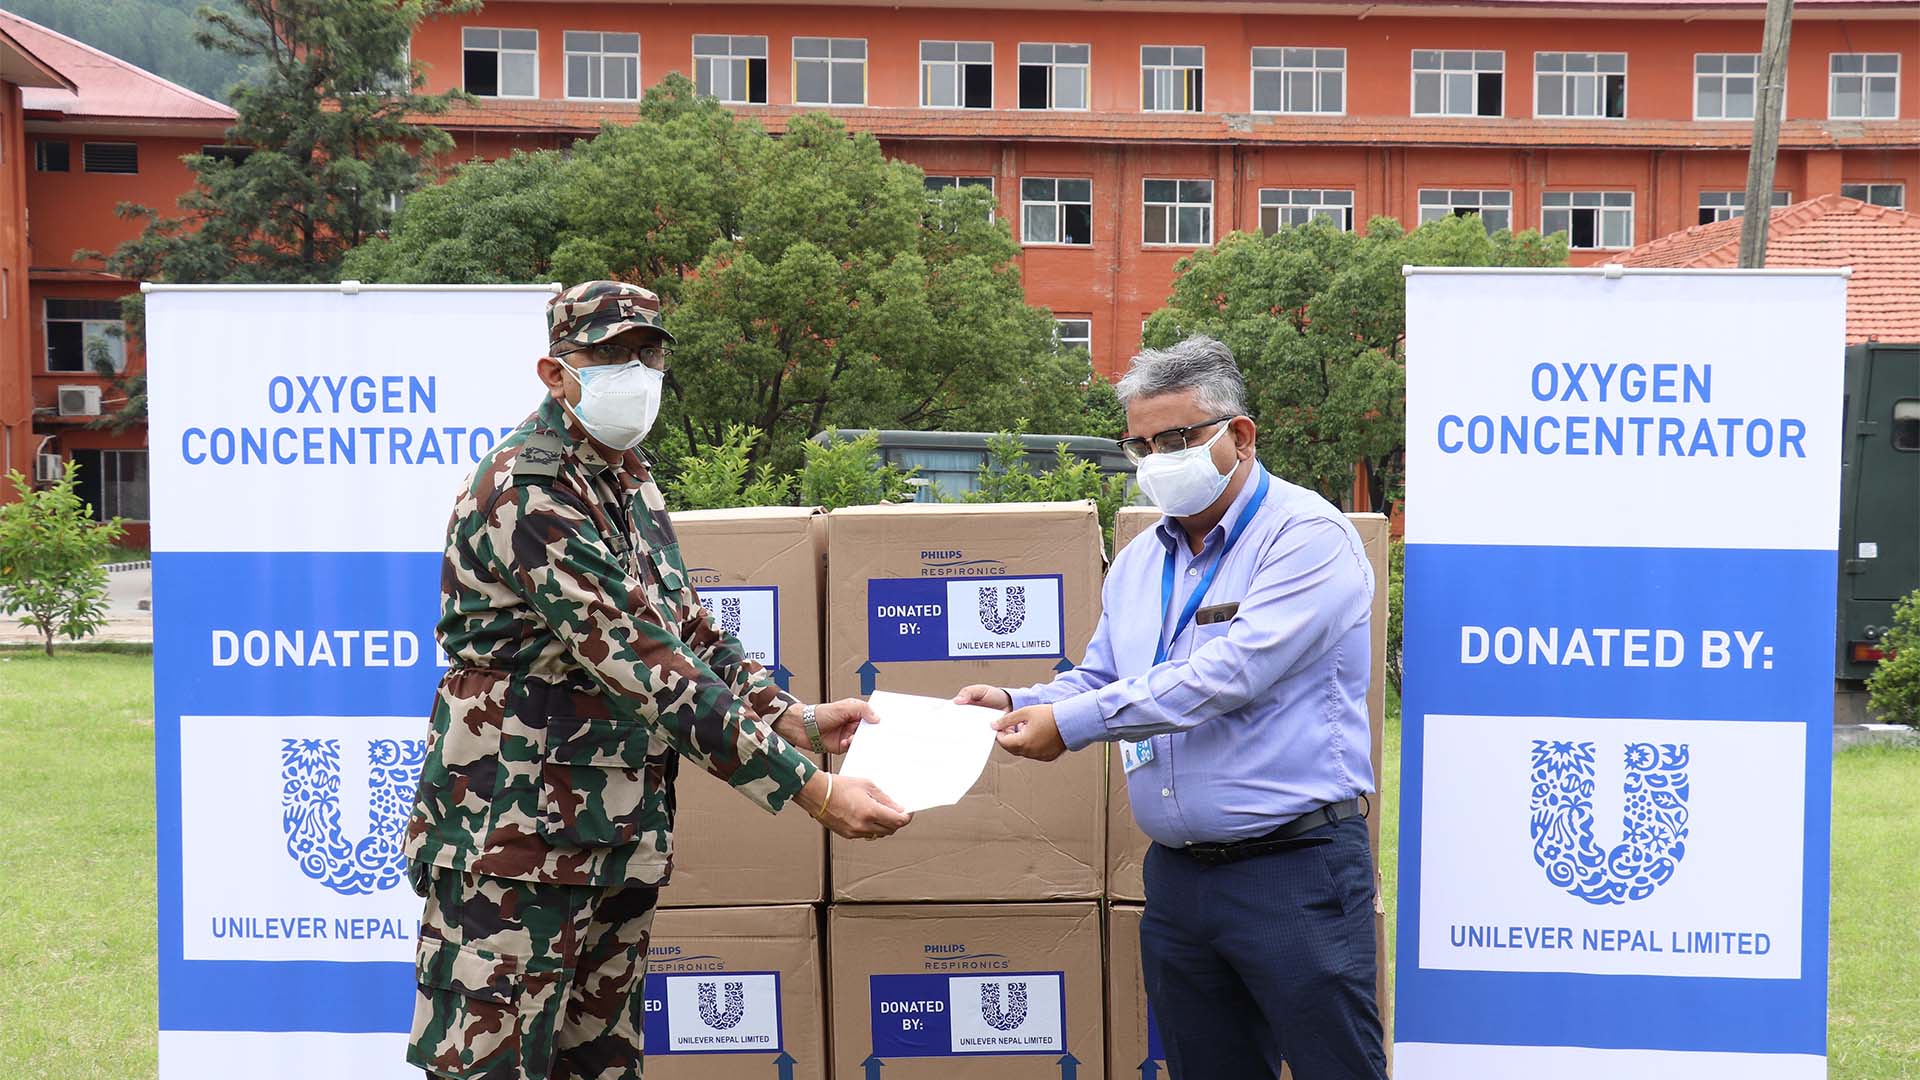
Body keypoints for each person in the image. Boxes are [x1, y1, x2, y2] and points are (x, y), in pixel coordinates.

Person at [403, 280, 910, 1080]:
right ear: (555, 372)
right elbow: (638, 659)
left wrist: (789, 718)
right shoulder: (530, 487)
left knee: (600, 1066)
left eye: (648, 352)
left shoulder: (626, 476)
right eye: (608, 354)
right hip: (511, 840)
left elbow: (687, 626)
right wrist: (807, 788)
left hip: (612, 829)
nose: (635, 371)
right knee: (492, 1069)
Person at [958, 334, 1386, 1080]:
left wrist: (1072, 725)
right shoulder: (1139, 562)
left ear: (1239, 436)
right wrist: (1015, 700)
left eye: (1177, 438)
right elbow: (1098, 678)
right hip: (1180, 883)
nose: (1157, 459)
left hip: (1295, 870)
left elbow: (1229, 673)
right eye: (1141, 444)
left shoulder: (1308, 537)